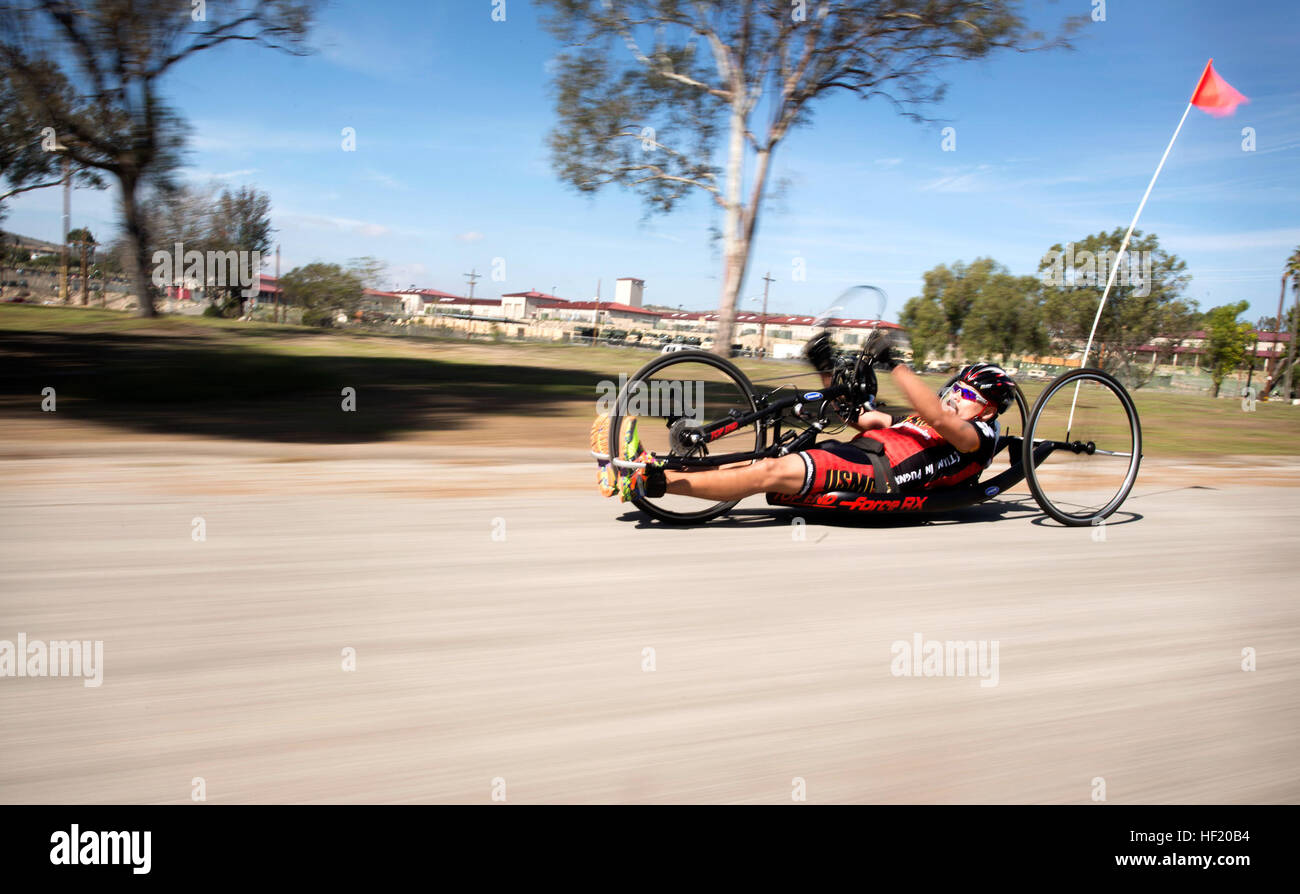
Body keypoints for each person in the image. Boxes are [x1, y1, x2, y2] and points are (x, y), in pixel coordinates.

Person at [591, 332, 1017, 503]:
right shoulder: (925, 423)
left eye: (965, 394)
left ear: (989, 409)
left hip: (880, 476)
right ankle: (636, 468)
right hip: (860, 455)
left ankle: (650, 483)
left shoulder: (977, 437)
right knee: (762, 460)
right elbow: (860, 418)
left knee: (770, 472)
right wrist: (827, 369)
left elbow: (940, 421)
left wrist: (896, 365)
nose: (953, 398)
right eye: (954, 390)